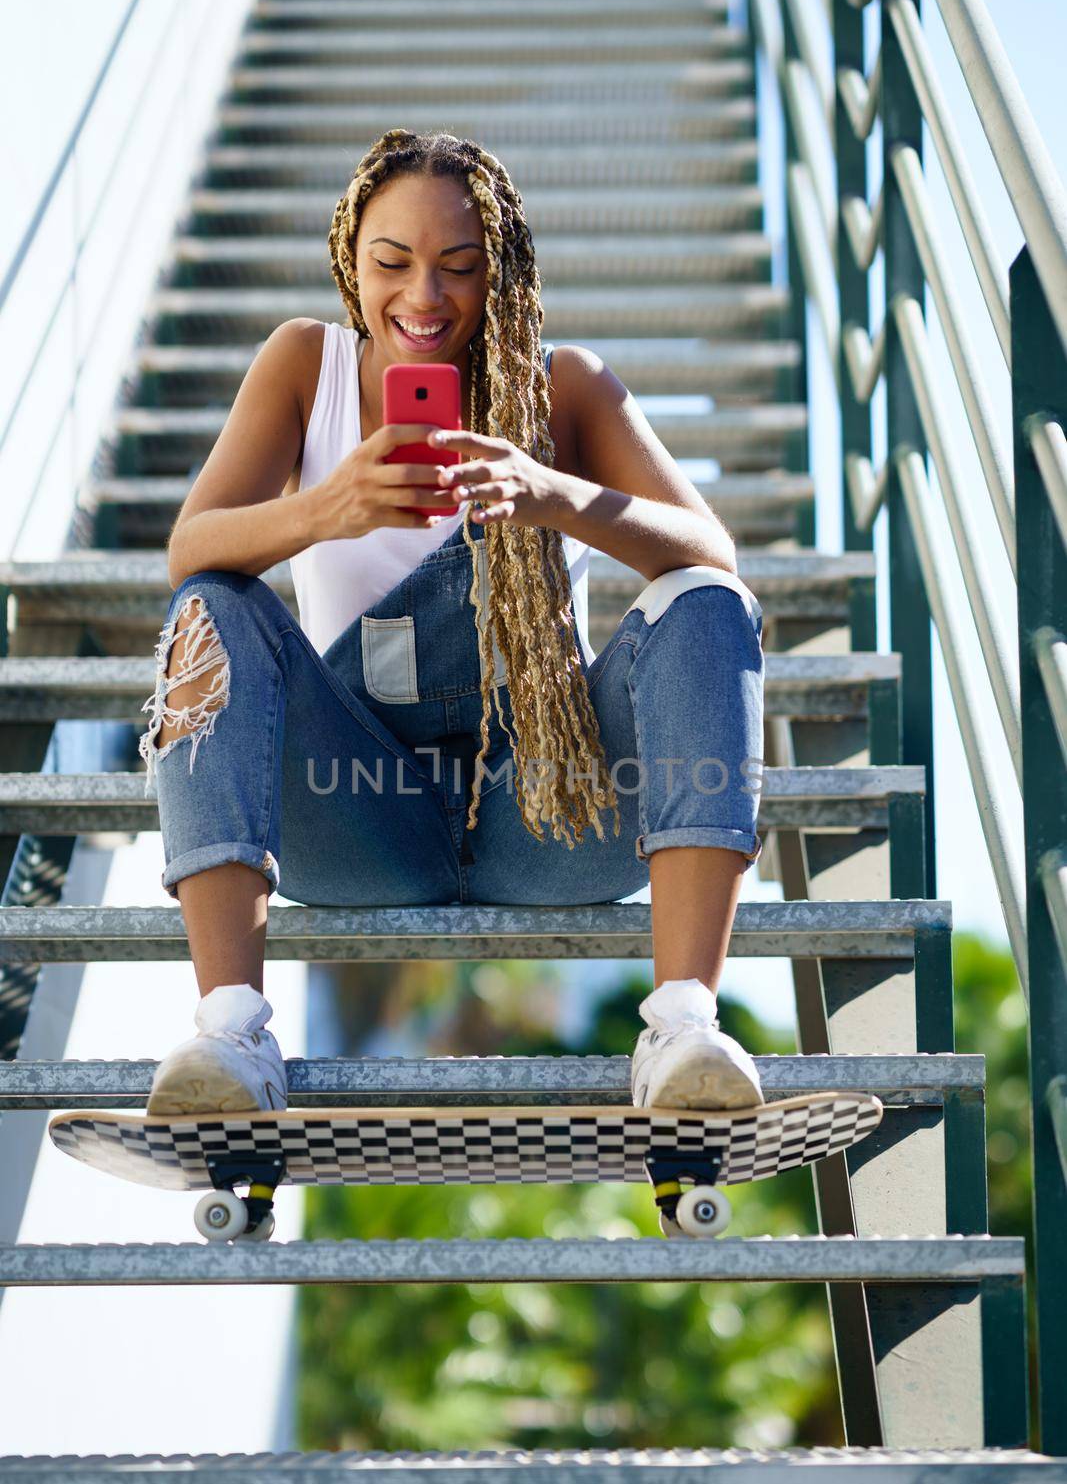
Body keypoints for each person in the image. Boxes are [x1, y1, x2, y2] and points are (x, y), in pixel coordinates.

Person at [137, 128, 766, 1119]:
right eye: (392, 262)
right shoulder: (305, 365)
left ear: (500, 275)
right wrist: (323, 510)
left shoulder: (565, 389)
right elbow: (191, 548)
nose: (422, 297)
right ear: (351, 259)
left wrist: (548, 492)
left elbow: (710, 549)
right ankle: (229, 1033)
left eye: (459, 268)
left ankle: (684, 1026)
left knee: (702, 598)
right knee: (210, 604)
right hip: (358, 813)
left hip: (549, 812)